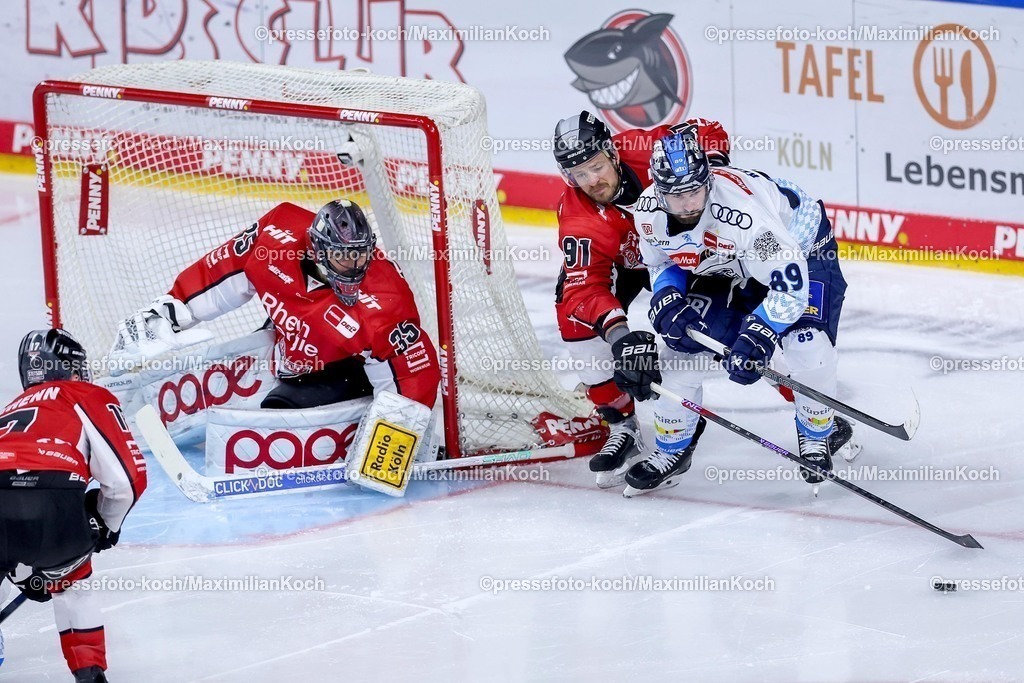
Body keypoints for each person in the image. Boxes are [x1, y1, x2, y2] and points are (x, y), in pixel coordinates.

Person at [613, 125, 855, 496]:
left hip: (802, 249)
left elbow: (789, 289)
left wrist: (759, 334)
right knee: (681, 348)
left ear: (707, 180)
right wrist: (666, 295)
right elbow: (661, 260)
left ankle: (817, 435)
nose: (689, 204)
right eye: (676, 197)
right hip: (725, 260)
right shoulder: (646, 212)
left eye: (695, 190)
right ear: (657, 190)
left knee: (808, 343)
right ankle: (671, 451)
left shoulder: (744, 218)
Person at [110, 199, 440, 412]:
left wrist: (393, 444)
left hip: (347, 370)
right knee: (211, 384)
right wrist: (168, 313)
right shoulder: (276, 235)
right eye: (342, 256)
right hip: (287, 346)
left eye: (360, 254)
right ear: (317, 251)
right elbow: (221, 271)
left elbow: (415, 374)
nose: (354, 265)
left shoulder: (384, 303)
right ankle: (121, 409)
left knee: (276, 412)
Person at [552, 110, 729, 486]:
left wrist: (715, 172)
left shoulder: (646, 147)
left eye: (595, 166)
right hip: (631, 264)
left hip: (686, 254)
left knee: (726, 319)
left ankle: (812, 407)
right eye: (578, 174)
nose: (591, 180)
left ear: (612, 152)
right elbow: (584, 288)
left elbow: (709, 130)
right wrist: (621, 338)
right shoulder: (578, 216)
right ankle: (622, 423)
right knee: (573, 314)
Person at [0, 328, 148, 682]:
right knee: (73, 582)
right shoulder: (86, 393)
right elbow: (126, 480)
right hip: (52, 507)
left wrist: (23, 575)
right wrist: (105, 524)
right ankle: (89, 674)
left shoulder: (8, 410)